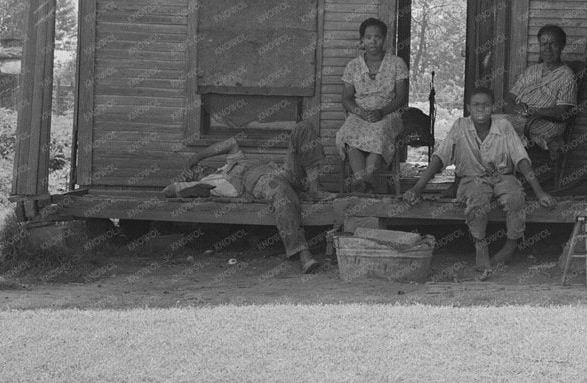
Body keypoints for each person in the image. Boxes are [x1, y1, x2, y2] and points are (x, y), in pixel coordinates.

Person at [401, 88, 555, 276]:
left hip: (502, 176)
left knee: (515, 198)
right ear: (468, 108)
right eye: (476, 105)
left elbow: (521, 159)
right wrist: (417, 188)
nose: (480, 109)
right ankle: (480, 245)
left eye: (485, 105)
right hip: (472, 178)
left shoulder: (504, 126)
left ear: (492, 107)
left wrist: (540, 192)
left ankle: (510, 244)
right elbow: (440, 157)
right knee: (477, 199)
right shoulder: (460, 126)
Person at [162, 117, 330, 274]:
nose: (199, 168)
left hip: (282, 172)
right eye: (194, 171)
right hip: (260, 182)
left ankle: (314, 188)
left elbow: (230, 143)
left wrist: (196, 157)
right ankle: (302, 253)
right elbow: (168, 190)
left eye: (198, 167)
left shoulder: (233, 162)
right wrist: (184, 182)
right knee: (281, 192)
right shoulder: (205, 184)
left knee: (304, 127)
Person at [336, 17, 409, 192]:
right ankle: (366, 183)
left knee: (378, 135)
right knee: (351, 136)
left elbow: (401, 97)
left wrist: (382, 111)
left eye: (377, 37)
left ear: (384, 39)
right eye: (368, 37)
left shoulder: (396, 63)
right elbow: (346, 98)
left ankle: (362, 184)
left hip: (387, 113)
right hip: (360, 113)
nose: (373, 41)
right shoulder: (353, 66)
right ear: (362, 40)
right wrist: (359, 112)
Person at [502, 24, 578, 152]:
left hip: (547, 123)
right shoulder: (531, 71)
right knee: (481, 123)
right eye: (543, 44)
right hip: (521, 118)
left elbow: (563, 112)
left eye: (553, 44)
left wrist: (534, 111)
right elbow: (510, 98)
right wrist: (515, 108)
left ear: (562, 46)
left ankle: (500, 168)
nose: (547, 49)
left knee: (495, 127)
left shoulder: (567, 76)